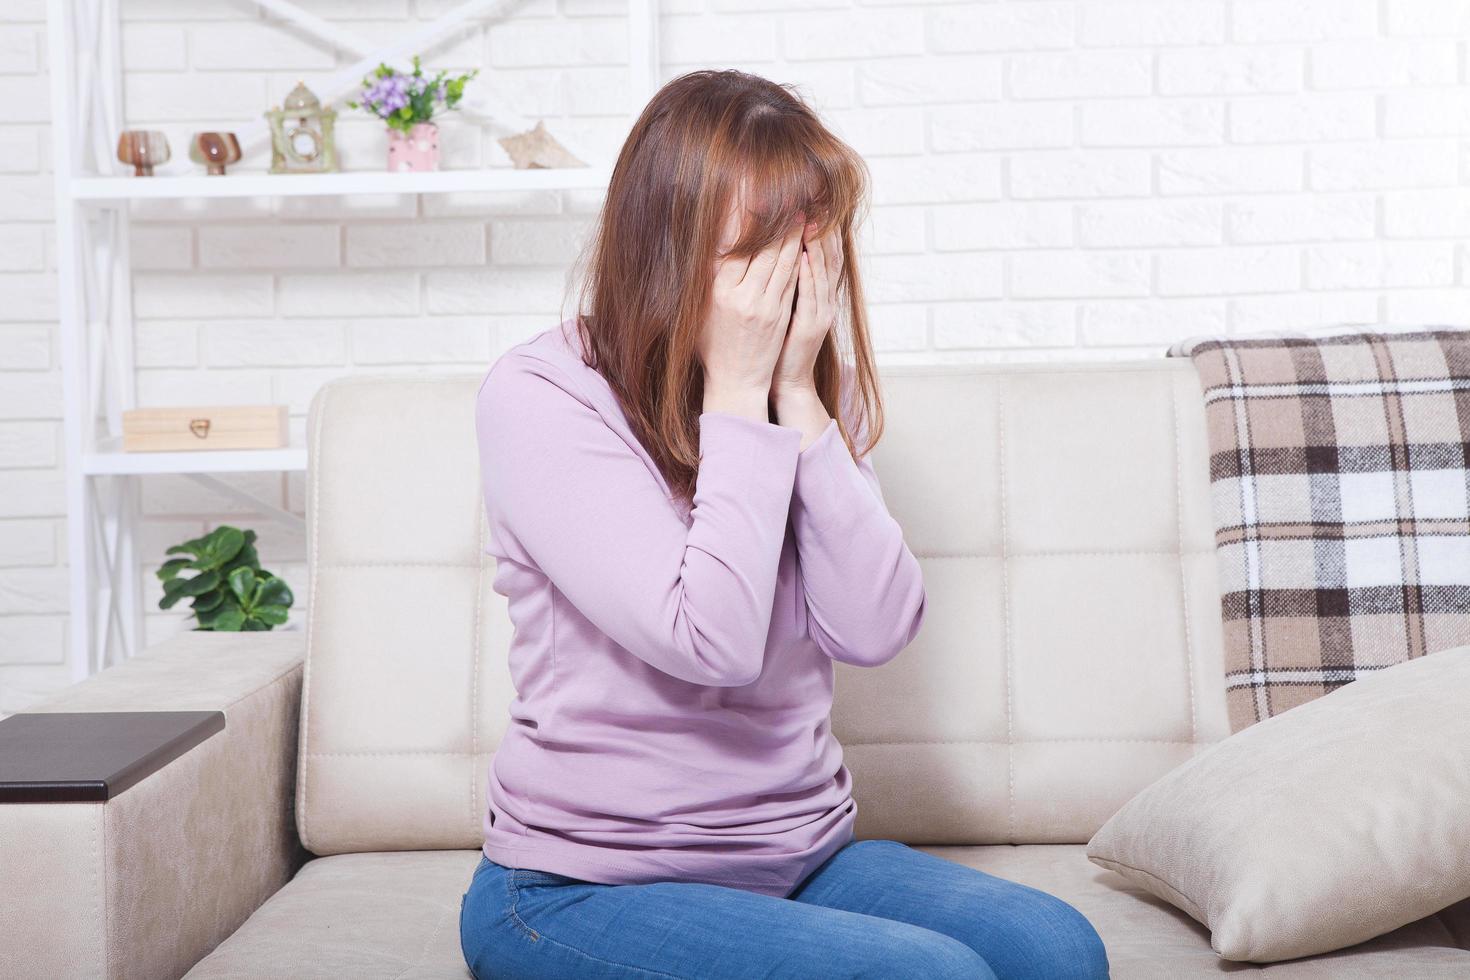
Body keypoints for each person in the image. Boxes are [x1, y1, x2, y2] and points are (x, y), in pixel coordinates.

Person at [460, 68, 1109, 980]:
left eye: (811, 248)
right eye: (760, 257)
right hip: (582, 889)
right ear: (667, 247)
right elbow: (710, 640)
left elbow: (876, 628)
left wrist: (798, 396)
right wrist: (735, 394)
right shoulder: (543, 397)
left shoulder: (795, 390)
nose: (792, 286)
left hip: (801, 861)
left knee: (1057, 950)